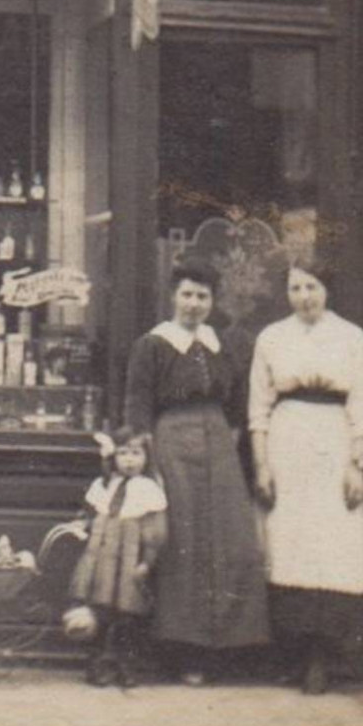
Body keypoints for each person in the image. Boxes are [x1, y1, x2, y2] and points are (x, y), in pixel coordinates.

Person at [124, 259, 269, 683]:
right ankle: (185, 652)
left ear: (213, 301)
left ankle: (228, 648)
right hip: (172, 443)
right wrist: (149, 461)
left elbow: (238, 402)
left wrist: (233, 441)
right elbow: (137, 405)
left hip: (220, 446)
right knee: (182, 544)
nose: (194, 304)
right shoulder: (152, 344)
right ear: (173, 297)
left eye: (202, 296)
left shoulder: (221, 343)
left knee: (230, 542)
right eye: (186, 294)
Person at [249, 261, 363, 694]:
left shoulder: (350, 336)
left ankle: (325, 655)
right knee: (289, 541)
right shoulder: (271, 337)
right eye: (295, 288)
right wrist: (263, 464)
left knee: (333, 541)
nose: (304, 296)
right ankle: (295, 653)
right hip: (287, 444)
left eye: (312, 287)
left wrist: (356, 464)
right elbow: (258, 409)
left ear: (327, 289)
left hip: (334, 441)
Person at [66, 427, 169, 688]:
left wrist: (147, 561)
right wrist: (81, 525)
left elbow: (155, 531)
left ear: (147, 457)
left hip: (129, 559)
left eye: (136, 453)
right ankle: (99, 663)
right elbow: (89, 515)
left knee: (127, 616)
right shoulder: (103, 485)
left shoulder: (148, 489)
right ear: (112, 457)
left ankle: (127, 665)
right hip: (101, 558)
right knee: (96, 611)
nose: (129, 460)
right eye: (123, 453)